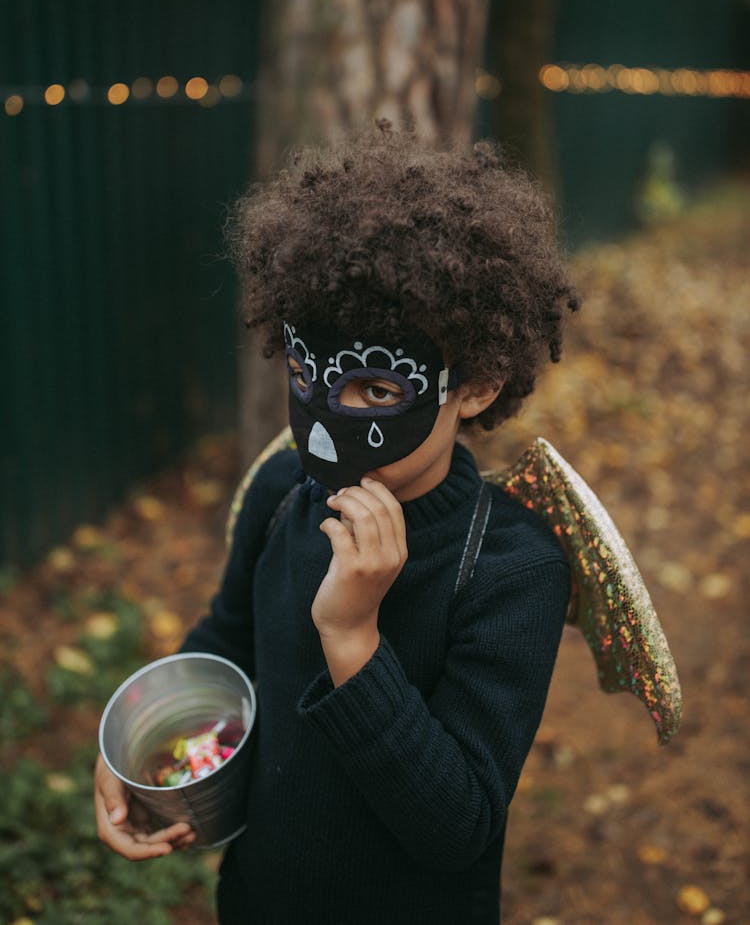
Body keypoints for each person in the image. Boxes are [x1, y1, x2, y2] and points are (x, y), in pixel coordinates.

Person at [95, 128, 580, 923]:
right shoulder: (285, 490)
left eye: (378, 390)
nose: (326, 424)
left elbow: (459, 824)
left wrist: (353, 640)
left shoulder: (510, 569)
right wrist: (144, 742)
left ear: (480, 384)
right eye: (304, 375)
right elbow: (230, 637)